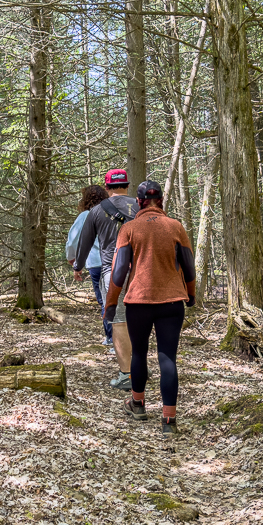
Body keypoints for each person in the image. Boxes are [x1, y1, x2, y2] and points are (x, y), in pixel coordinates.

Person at [104, 180, 195, 433]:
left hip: (138, 302)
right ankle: (168, 421)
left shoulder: (130, 229)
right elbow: (188, 266)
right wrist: (191, 294)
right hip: (172, 302)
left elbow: (119, 271)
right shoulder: (176, 226)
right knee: (168, 358)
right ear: (161, 201)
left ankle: (138, 404)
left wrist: (111, 304)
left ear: (139, 202)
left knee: (139, 353)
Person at [72, 169, 139, 389]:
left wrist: (77, 266)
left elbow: (84, 243)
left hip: (113, 272)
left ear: (107, 188)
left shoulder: (97, 211)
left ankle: (126, 375)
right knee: (139, 320)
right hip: (141, 272)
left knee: (119, 321)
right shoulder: (141, 207)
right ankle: (140, 369)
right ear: (127, 186)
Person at [66, 184, 109, 340]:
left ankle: (111, 338)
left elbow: (72, 242)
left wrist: (74, 260)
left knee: (105, 301)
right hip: (117, 261)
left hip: (96, 263)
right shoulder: (112, 213)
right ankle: (120, 337)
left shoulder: (85, 216)